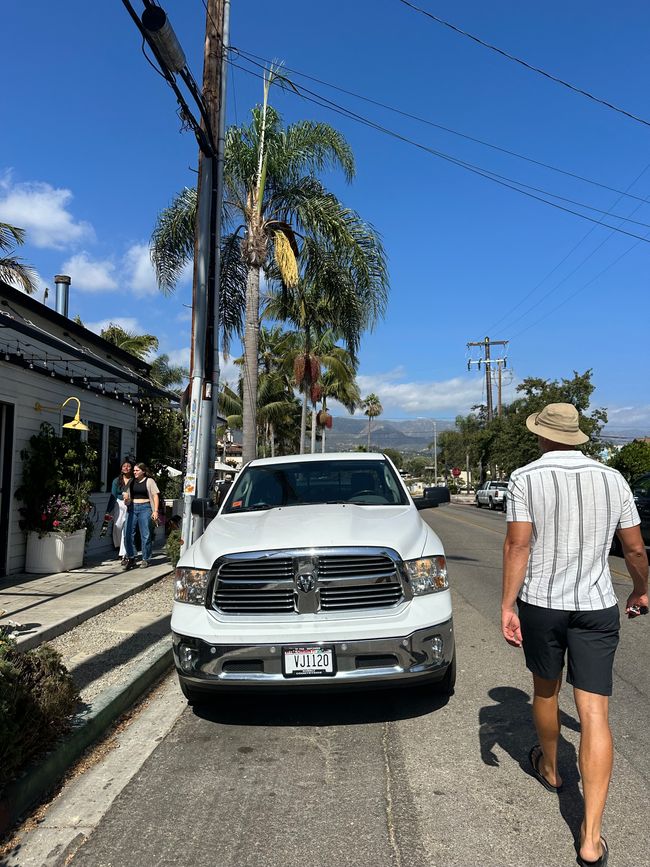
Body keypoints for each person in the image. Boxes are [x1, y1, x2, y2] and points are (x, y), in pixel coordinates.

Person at [501, 403, 648, 867]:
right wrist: (642, 589)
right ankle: (591, 837)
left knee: (545, 690)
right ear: (578, 436)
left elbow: (518, 544)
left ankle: (551, 768)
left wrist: (507, 604)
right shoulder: (614, 479)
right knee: (594, 712)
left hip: (543, 604)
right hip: (597, 606)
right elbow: (635, 548)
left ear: (542, 436)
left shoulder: (525, 478)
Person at [122, 462, 161, 570]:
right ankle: (131, 557)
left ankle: (146, 559)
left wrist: (155, 511)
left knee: (146, 534)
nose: (134, 472)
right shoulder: (131, 481)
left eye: (137, 470)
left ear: (143, 471)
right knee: (128, 534)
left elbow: (155, 495)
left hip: (145, 507)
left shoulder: (149, 481)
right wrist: (126, 498)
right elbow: (127, 495)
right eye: (134, 470)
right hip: (132, 508)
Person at [104, 460, 134, 566]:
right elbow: (113, 495)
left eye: (128, 466)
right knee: (117, 526)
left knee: (126, 529)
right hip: (119, 505)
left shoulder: (134, 481)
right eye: (124, 466)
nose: (126, 468)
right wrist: (108, 510)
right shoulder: (116, 481)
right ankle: (119, 547)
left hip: (131, 505)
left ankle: (123, 553)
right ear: (121, 468)